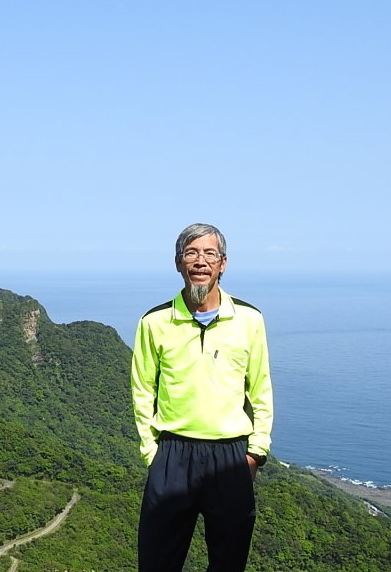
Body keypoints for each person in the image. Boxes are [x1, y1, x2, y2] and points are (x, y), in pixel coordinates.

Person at [131, 223, 273, 572]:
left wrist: (255, 453)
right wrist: (153, 453)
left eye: (210, 253)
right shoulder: (155, 322)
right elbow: (142, 390)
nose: (200, 261)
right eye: (191, 253)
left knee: (228, 562)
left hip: (230, 455)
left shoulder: (249, 320)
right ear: (178, 263)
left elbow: (261, 389)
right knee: (157, 560)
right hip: (172, 454)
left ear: (223, 264)